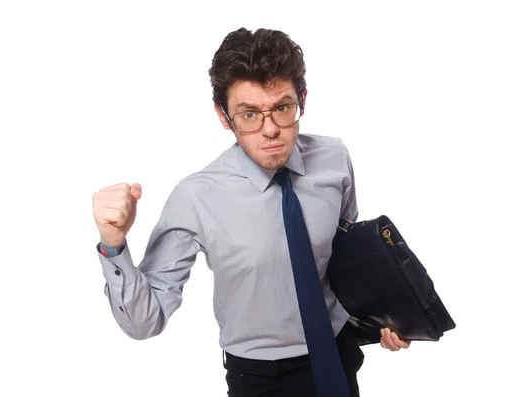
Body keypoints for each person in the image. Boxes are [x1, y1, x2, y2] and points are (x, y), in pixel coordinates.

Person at [92, 27, 410, 397]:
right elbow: (145, 323)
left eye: (282, 107)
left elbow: (346, 259)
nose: (271, 129)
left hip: (340, 351)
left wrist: (386, 318)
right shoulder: (196, 197)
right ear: (224, 116)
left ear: (302, 100)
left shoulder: (334, 159)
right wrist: (114, 245)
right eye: (248, 114)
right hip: (261, 378)